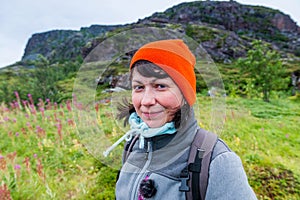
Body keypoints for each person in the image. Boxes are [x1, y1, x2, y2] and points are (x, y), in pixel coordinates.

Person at [114, 39, 257, 199]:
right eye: (139, 87)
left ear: (185, 94)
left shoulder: (218, 162)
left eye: (160, 86)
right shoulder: (133, 145)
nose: (146, 101)